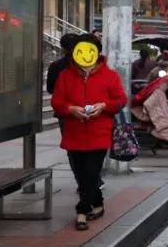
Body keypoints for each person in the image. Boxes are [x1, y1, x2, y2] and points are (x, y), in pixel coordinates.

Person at [51, 34, 127, 231]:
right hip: (74, 133)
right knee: (81, 173)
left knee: (91, 171)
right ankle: (98, 203)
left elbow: (120, 101)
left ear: (97, 53)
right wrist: (70, 109)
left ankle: (82, 211)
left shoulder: (110, 76)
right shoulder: (65, 76)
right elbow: (57, 103)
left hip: (99, 132)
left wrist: (104, 106)